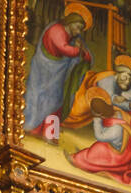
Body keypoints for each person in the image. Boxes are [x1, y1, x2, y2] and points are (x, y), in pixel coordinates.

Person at [24, 4, 92, 135]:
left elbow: (86, 54)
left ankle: (50, 133)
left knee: (56, 101)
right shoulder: (57, 30)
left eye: (81, 30)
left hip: (57, 75)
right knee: (39, 98)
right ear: (71, 21)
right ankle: (33, 127)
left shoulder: (74, 36)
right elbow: (64, 48)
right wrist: (78, 50)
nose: (78, 32)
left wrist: (83, 53)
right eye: (78, 27)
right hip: (43, 71)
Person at [69, 86, 131, 186]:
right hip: (127, 150)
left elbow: (99, 136)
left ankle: (79, 159)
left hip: (123, 158)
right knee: (99, 146)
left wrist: (97, 120)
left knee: (98, 148)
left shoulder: (115, 130)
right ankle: (85, 154)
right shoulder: (117, 111)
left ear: (100, 113)